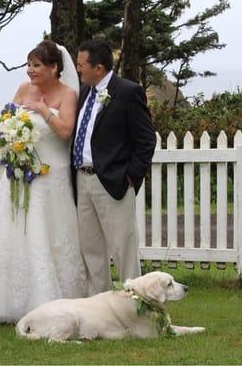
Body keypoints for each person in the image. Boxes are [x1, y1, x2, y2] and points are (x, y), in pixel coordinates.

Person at [0, 40, 87, 323]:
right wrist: (14, 138)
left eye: (36, 65)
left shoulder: (67, 94)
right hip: (20, 173)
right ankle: (6, 301)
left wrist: (43, 110)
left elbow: (65, 132)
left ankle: (52, 299)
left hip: (52, 177)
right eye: (29, 65)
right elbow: (6, 122)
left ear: (54, 68)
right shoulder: (24, 90)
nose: (30, 71)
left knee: (47, 234)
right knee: (13, 234)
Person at [72, 39, 156, 295]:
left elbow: (146, 139)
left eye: (81, 65)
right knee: (92, 249)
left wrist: (131, 177)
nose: (78, 69)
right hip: (81, 179)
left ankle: (136, 304)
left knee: (123, 247)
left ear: (99, 68)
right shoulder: (85, 92)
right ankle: (101, 305)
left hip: (113, 181)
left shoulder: (128, 92)